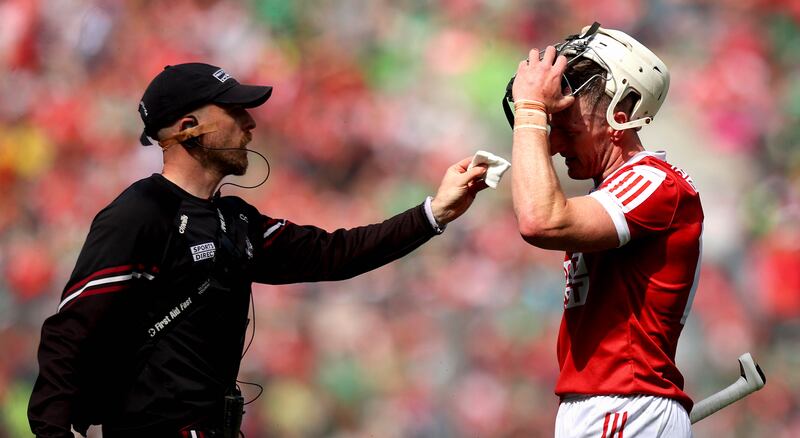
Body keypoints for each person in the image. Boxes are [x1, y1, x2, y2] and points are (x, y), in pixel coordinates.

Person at [28, 62, 488, 437]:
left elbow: (336, 253)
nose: (250, 123)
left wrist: (435, 212)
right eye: (233, 111)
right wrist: (51, 430)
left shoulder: (236, 218)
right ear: (189, 128)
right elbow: (71, 330)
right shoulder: (141, 213)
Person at [508, 25, 703, 437]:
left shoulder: (654, 181)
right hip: (605, 407)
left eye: (567, 127)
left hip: (626, 403)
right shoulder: (612, 192)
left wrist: (530, 113)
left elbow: (540, 220)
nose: (556, 144)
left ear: (623, 110)